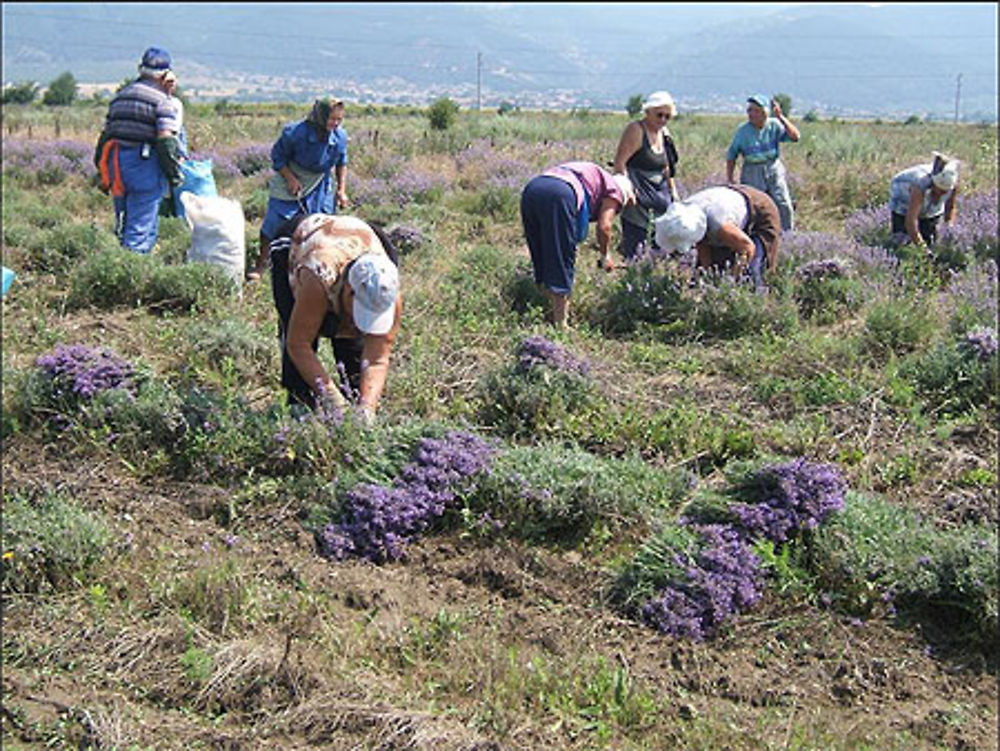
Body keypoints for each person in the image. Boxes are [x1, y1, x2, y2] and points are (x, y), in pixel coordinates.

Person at [269, 212, 401, 423]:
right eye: (358, 308)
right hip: (298, 243)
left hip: (350, 243)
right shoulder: (318, 278)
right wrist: (331, 397)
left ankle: (356, 410)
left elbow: (377, 358)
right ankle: (299, 408)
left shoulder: (387, 288)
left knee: (353, 351)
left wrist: (367, 407)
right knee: (299, 329)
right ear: (348, 290)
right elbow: (298, 344)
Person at [520, 161, 635, 328]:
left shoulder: (597, 176)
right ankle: (561, 324)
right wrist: (605, 255)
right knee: (562, 254)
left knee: (541, 249)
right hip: (560, 194)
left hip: (533, 188)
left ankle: (542, 308)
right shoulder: (615, 190)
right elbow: (605, 226)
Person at [94, 46, 183, 254]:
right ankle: (133, 278)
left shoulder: (120, 97)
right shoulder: (163, 101)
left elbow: (106, 135)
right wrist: (173, 173)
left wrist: (101, 171)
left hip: (117, 166)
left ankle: (125, 266)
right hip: (144, 166)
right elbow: (165, 139)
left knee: (125, 224)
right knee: (141, 229)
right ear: (166, 74)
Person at [250, 98, 350, 282]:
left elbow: (341, 163)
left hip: (320, 183)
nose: (335, 124)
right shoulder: (295, 133)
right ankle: (262, 264)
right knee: (276, 221)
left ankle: (311, 267)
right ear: (320, 116)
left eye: (339, 120)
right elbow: (277, 157)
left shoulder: (340, 136)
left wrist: (341, 190)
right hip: (292, 175)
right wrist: (290, 179)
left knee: (320, 225)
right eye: (331, 119)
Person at [655, 184, 781, 290]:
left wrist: (732, 279)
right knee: (709, 271)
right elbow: (702, 244)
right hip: (726, 203)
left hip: (760, 213)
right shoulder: (684, 214)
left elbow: (748, 249)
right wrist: (706, 275)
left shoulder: (720, 226)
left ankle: (757, 313)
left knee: (751, 275)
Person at [612, 90, 680, 260]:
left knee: (661, 248)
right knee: (636, 247)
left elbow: (667, 167)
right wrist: (628, 190)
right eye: (659, 115)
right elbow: (620, 163)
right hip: (638, 200)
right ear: (648, 112)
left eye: (667, 116)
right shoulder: (635, 130)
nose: (663, 120)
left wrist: (674, 193)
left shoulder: (664, 134)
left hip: (659, 199)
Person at [726, 94, 799, 232]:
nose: (751, 114)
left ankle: (786, 235)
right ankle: (757, 236)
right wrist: (730, 178)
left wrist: (781, 118)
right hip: (752, 170)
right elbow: (731, 155)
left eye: (755, 110)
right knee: (755, 206)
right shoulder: (743, 132)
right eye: (749, 110)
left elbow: (795, 137)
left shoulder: (774, 125)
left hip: (773, 168)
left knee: (783, 203)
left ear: (764, 112)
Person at [888, 152, 960, 250]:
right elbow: (910, 221)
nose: (943, 194)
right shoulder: (920, 185)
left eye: (945, 191)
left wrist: (949, 229)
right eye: (940, 190)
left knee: (931, 238)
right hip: (903, 193)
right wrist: (921, 247)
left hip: (928, 198)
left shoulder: (952, 183)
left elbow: (950, 207)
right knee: (903, 241)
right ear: (934, 184)